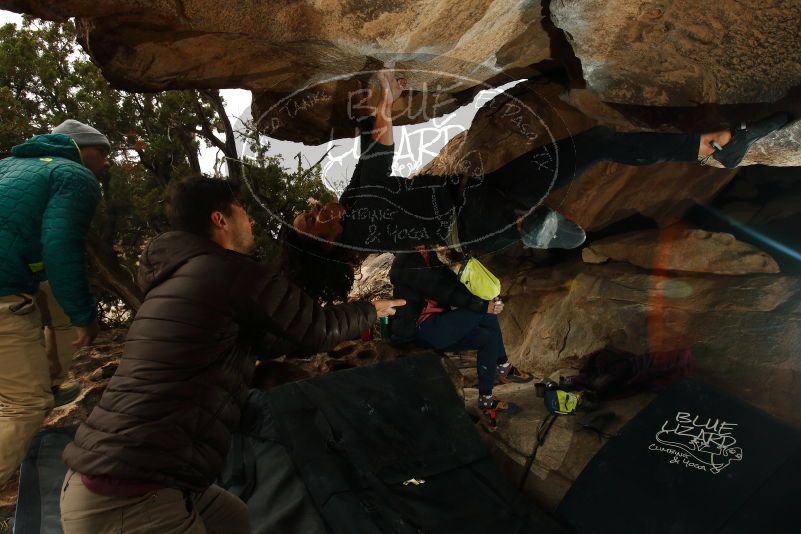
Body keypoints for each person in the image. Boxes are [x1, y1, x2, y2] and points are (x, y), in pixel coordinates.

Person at [59, 175, 405, 534]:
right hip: (131, 495)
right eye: (242, 210)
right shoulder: (228, 271)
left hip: (111, 476)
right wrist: (369, 310)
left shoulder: (177, 280)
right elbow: (316, 328)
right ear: (220, 220)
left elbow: (266, 341)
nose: (251, 220)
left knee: (233, 518)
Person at [286, 67, 791, 299]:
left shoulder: (355, 226)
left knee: (586, 153)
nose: (315, 206)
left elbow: (374, 157)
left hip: (478, 212)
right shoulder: (355, 216)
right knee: (596, 145)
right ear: (322, 238)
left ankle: (531, 228)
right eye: (311, 217)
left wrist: (379, 106)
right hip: (481, 211)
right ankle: (716, 146)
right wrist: (381, 99)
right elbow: (376, 149)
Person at [0, 119, 109, 485]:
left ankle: (54, 379)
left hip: (15, 274)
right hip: (4, 294)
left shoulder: (6, 165)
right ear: (79, 148)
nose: (107, 160)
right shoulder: (75, 176)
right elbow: (60, 247)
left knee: (56, 312)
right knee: (25, 405)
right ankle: (40, 390)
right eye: (102, 150)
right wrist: (86, 315)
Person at [390, 247, 532, 425]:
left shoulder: (428, 254)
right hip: (422, 331)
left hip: (439, 325)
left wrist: (486, 298)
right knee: (484, 313)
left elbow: (451, 284)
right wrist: (482, 306)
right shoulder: (406, 260)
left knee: (487, 337)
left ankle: (487, 399)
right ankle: (503, 365)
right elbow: (441, 290)